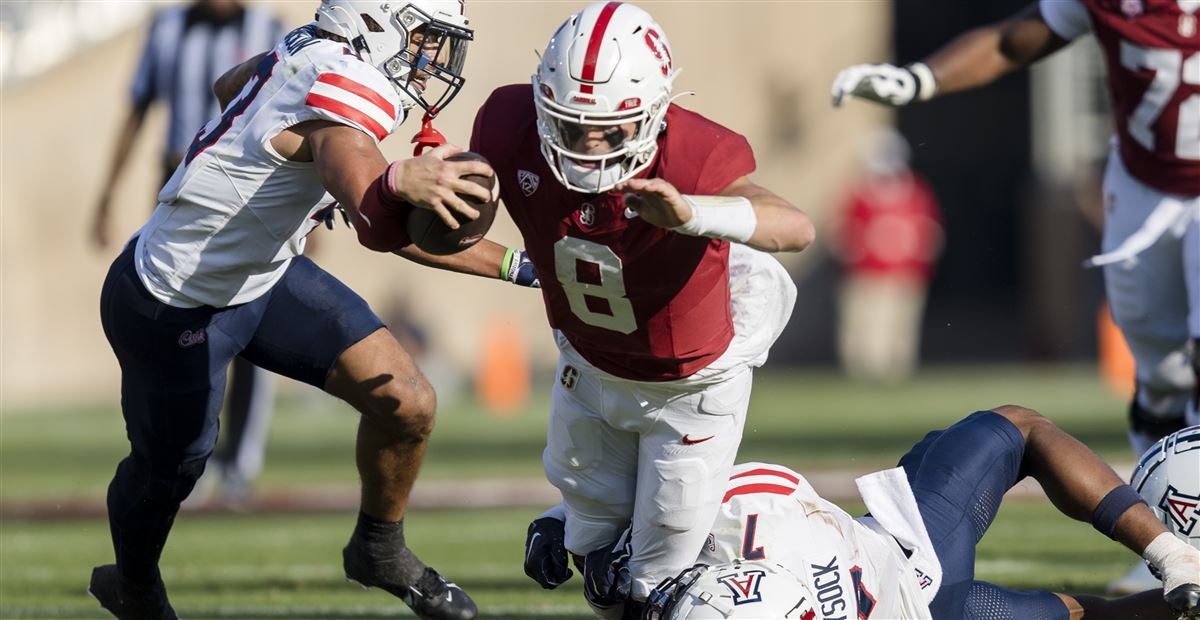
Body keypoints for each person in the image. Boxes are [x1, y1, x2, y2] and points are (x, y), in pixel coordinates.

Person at [87, 1, 542, 617]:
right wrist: (401, 191)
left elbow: (230, 85)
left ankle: (379, 548)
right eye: (427, 39)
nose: (433, 57)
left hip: (262, 276)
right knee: (173, 466)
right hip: (173, 299)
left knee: (407, 400)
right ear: (377, 24)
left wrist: (264, 160)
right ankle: (133, 583)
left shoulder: (307, 47)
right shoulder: (346, 88)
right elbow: (383, 227)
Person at [830, 0, 1200, 594]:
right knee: (1161, 376)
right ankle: (1170, 534)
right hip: (1142, 184)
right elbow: (1010, 41)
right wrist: (921, 78)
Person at [466, 1, 815, 614]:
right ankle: (568, 520)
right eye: (571, 125)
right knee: (596, 562)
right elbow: (437, 229)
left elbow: (797, 227)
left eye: (612, 128)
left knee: (655, 589)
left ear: (654, 113)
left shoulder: (694, 154)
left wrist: (691, 213)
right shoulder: (506, 123)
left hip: (689, 388)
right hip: (586, 368)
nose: (589, 145)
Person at [525, 406, 1200, 619]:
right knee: (1015, 428)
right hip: (922, 581)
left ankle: (1179, 568)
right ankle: (1181, 574)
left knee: (1015, 432)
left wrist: (566, 522)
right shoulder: (746, 518)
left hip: (913, 567)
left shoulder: (741, 523)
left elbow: (656, 489)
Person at [91, 0, 284, 508]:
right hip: (176, 189)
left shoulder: (270, 27)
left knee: (250, 325)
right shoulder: (168, 26)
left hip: (249, 197)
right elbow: (136, 110)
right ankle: (175, 457)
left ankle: (239, 464)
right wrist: (108, 194)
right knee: (175, 326)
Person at [832, 127, 943, 383]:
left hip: (904, 272)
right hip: (866, 272)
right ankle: (863, 371)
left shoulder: (915, 191)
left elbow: (929, 230)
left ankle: (895, 370)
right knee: (863, 325)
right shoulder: (861, 195)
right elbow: (844, 231)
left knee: (899, 324)